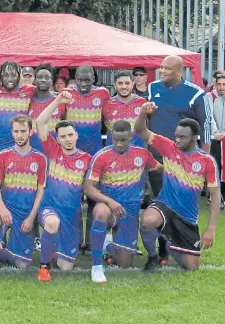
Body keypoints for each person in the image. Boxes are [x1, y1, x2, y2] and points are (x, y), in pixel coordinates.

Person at [135, 103, 221, 273]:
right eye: (177, 136)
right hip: (165, 204)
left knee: (191, 268)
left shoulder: (206, 160)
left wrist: (210, 229)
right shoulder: (168, 146)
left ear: (195, 137)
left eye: (183, 137)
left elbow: (215, 194)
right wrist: (143, 114)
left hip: (187, 216)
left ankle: (168, 242)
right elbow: (141, 131)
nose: (178, 140)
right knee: (148, 221)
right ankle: (153, 256)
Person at [146, 55, 212, 264]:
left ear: (179, 71)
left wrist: (205, 158)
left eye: (167, 68)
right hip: (158, 159)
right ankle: (162, 249)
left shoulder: (196, 94)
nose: (162, 71)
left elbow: (206, 126)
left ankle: (183, 241)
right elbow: (146, 120)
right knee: (161, 202)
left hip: (185, 163)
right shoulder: (153, 88)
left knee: (183, 206)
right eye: (161, 68)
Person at [84, 120, 163, 283]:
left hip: (131, 211)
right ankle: (96, 267)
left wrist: (180, 169)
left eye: (123, 140)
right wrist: (110, 202)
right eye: (115, 140)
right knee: (100, 212)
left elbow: (160, 168)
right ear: (112, 137)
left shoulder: (142, 155)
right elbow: (89, 188)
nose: (119, 144)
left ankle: (107, 244)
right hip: (110, 207)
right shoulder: (101, 156)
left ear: (131, 136)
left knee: (124, 263)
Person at [35, 92, 92, 281]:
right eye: (63, 136)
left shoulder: (87, 160)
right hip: (50, 207)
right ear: (57, 139)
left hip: (71, 215)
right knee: (52, 223)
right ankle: (44, 267)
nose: (67, 139)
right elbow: (40, 123)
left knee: (66, 267)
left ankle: (52, 250)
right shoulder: (53, 150)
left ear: (76, 135)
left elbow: (90, 187)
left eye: (70, 135)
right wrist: (58, 101)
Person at [0, 115, 47, 279]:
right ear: (11, 133)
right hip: (6, 207)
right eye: (16, 131)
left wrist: (32, 217)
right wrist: (2, 209)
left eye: (23, 131)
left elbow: (40, 191)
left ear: (31, 132)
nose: (19, 135)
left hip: (26, 213)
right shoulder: (3, 155)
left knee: (22, 265)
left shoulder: (40, 158)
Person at [65, 64, 110, 252]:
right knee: (73, 201)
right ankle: (74, 242)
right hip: (72, 159)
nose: (83, 83)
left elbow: (109, 119)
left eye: (87, 79)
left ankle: (91, 242)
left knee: (94, 200)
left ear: (94, 79)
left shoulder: (102, 94)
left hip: (94, 158)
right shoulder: (67, 94)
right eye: (80, 79)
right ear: (75, 80)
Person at [0, 62, 36, 158]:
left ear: (19, 76)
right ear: (0, 76)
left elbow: (47, 94)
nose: (9, 79)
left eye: (13, 75)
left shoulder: (29, 90)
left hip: (20, 145)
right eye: (6, 75)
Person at [103, 70, 148, 147]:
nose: (124, 87)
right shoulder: (106, 105)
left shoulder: (143, 103)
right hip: (112, 155)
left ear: (132, 84)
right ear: (115, 85)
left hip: (137, 155)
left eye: (127, 83)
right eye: (120, 83)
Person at [28, 63, 64, 152]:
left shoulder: (60, 101)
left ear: (52, 81)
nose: (43, 80)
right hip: (32, 154)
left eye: (47, 77)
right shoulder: (27, 100)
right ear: (35, 80)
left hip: (55, 155)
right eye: (40, 77)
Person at [210, 73, 225, 208]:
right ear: (215, 84)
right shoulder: (211, 97)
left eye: (224, 84)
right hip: (216, 139)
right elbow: (210, 117)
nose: (221, 87)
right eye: (219, 84)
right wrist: (216, 132)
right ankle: (217, 198)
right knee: (216, 167)